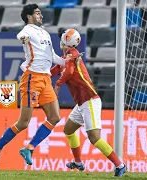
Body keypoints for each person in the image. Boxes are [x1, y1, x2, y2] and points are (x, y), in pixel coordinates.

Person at [0, 4, 69, 174]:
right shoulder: (28, 30)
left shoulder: (45, 33)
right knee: (23, 122)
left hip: (45, 78)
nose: (41, 16)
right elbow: (21, 35)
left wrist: (68, 61)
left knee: (54, 117)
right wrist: (23, 39)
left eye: (40, 13)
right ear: (30, 17)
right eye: (38, 13)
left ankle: (29, 148)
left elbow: (52, 56)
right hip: (32, 77)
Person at [50, 28, 127, 177]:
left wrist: (58, 84)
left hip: (90, 100)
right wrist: (40, 73)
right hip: (82, 103)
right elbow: (56, 70)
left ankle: (120, 165)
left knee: (94, 138)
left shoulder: (72, 55)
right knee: (68, 130)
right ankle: (78, 162)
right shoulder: (67, 56)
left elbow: (69, 72)